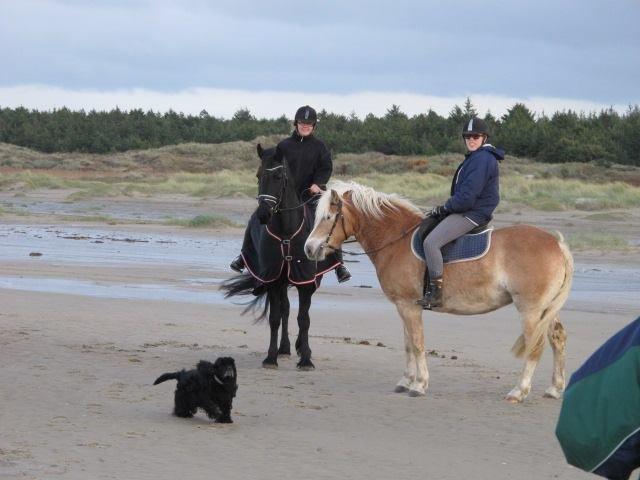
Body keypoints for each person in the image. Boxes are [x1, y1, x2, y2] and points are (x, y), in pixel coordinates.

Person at [230, 105, 351, 283]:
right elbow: (272, 163)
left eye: (309, 124)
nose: (305, 126)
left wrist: (317, 183)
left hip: (310, 195)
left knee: (328, 220)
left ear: (314, 126)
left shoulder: (320, 147)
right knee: (257, 217)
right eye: (302, 123)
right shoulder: (284, 146)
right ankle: (243, 256)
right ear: (296, 124)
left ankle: (338, 264)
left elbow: (326, 168)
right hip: (284, 196)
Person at [417, 117, 504, 309]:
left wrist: (445, 208)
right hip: (469, 209)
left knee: (431, 243)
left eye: (475, 136)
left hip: (471, 213)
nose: (471, 140)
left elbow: (466, 197)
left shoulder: (482, 159)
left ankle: (436, 294)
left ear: (484, 137)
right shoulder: (477, 157)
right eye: (467, 136)